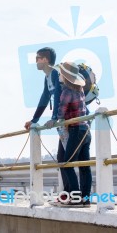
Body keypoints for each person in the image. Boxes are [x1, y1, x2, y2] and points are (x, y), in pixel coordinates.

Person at [24, 47, 69, 193]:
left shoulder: (55, 72)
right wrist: (34, 120)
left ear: (45, 59)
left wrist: (54, 117)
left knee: (68, 157)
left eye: (38, 58)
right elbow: (45, 97)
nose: (36, 61)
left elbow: (57, 95)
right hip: (61, 121)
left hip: (68, 120)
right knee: (63, 157)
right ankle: (69, 193)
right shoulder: (47, 76)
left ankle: (73, 194)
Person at [55, 62, 92, 206]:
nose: (59, 75)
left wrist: (55, 121)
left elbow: (61, 113)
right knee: (84, 166)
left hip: (76, 130)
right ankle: (85, 199)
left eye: (61, 73)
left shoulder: (66, 91)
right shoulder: (80, 89)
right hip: (86, 131)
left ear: (65, 76)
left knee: (67, 164)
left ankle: (75, 198)